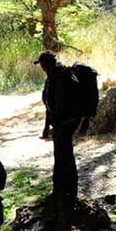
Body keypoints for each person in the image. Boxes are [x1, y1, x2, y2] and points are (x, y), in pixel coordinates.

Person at [35, 51, 86, 202]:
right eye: (42, 65)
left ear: (50, 64)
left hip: (67, 122)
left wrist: (72, 122)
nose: (43, 68)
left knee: (65, 156)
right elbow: (48, 104)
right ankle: (60, 190)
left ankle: (68, 191)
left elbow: (74, 102)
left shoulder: (65, 77)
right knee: (61, 155)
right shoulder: (50, 80)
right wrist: (46, 126)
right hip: (58, 123)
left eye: (44, 64)